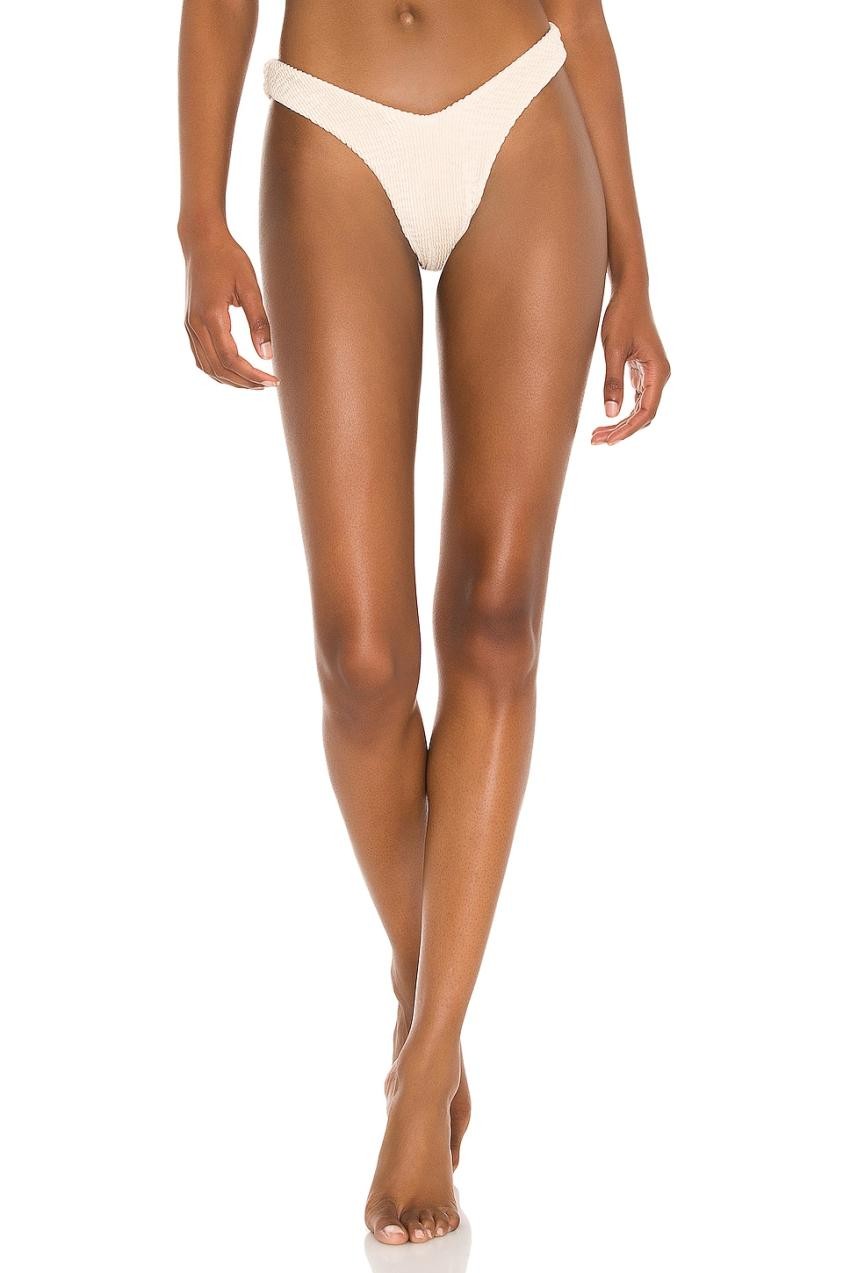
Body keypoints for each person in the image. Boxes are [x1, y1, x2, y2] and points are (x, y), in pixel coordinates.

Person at [177, 0, 670, 1246]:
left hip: (524, 112)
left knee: (499, 620)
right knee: (362, 661)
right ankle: (422, 973)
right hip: (330, 127)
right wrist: (198, 221)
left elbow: (580, 10)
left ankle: (424, 1067)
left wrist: (637, 267)